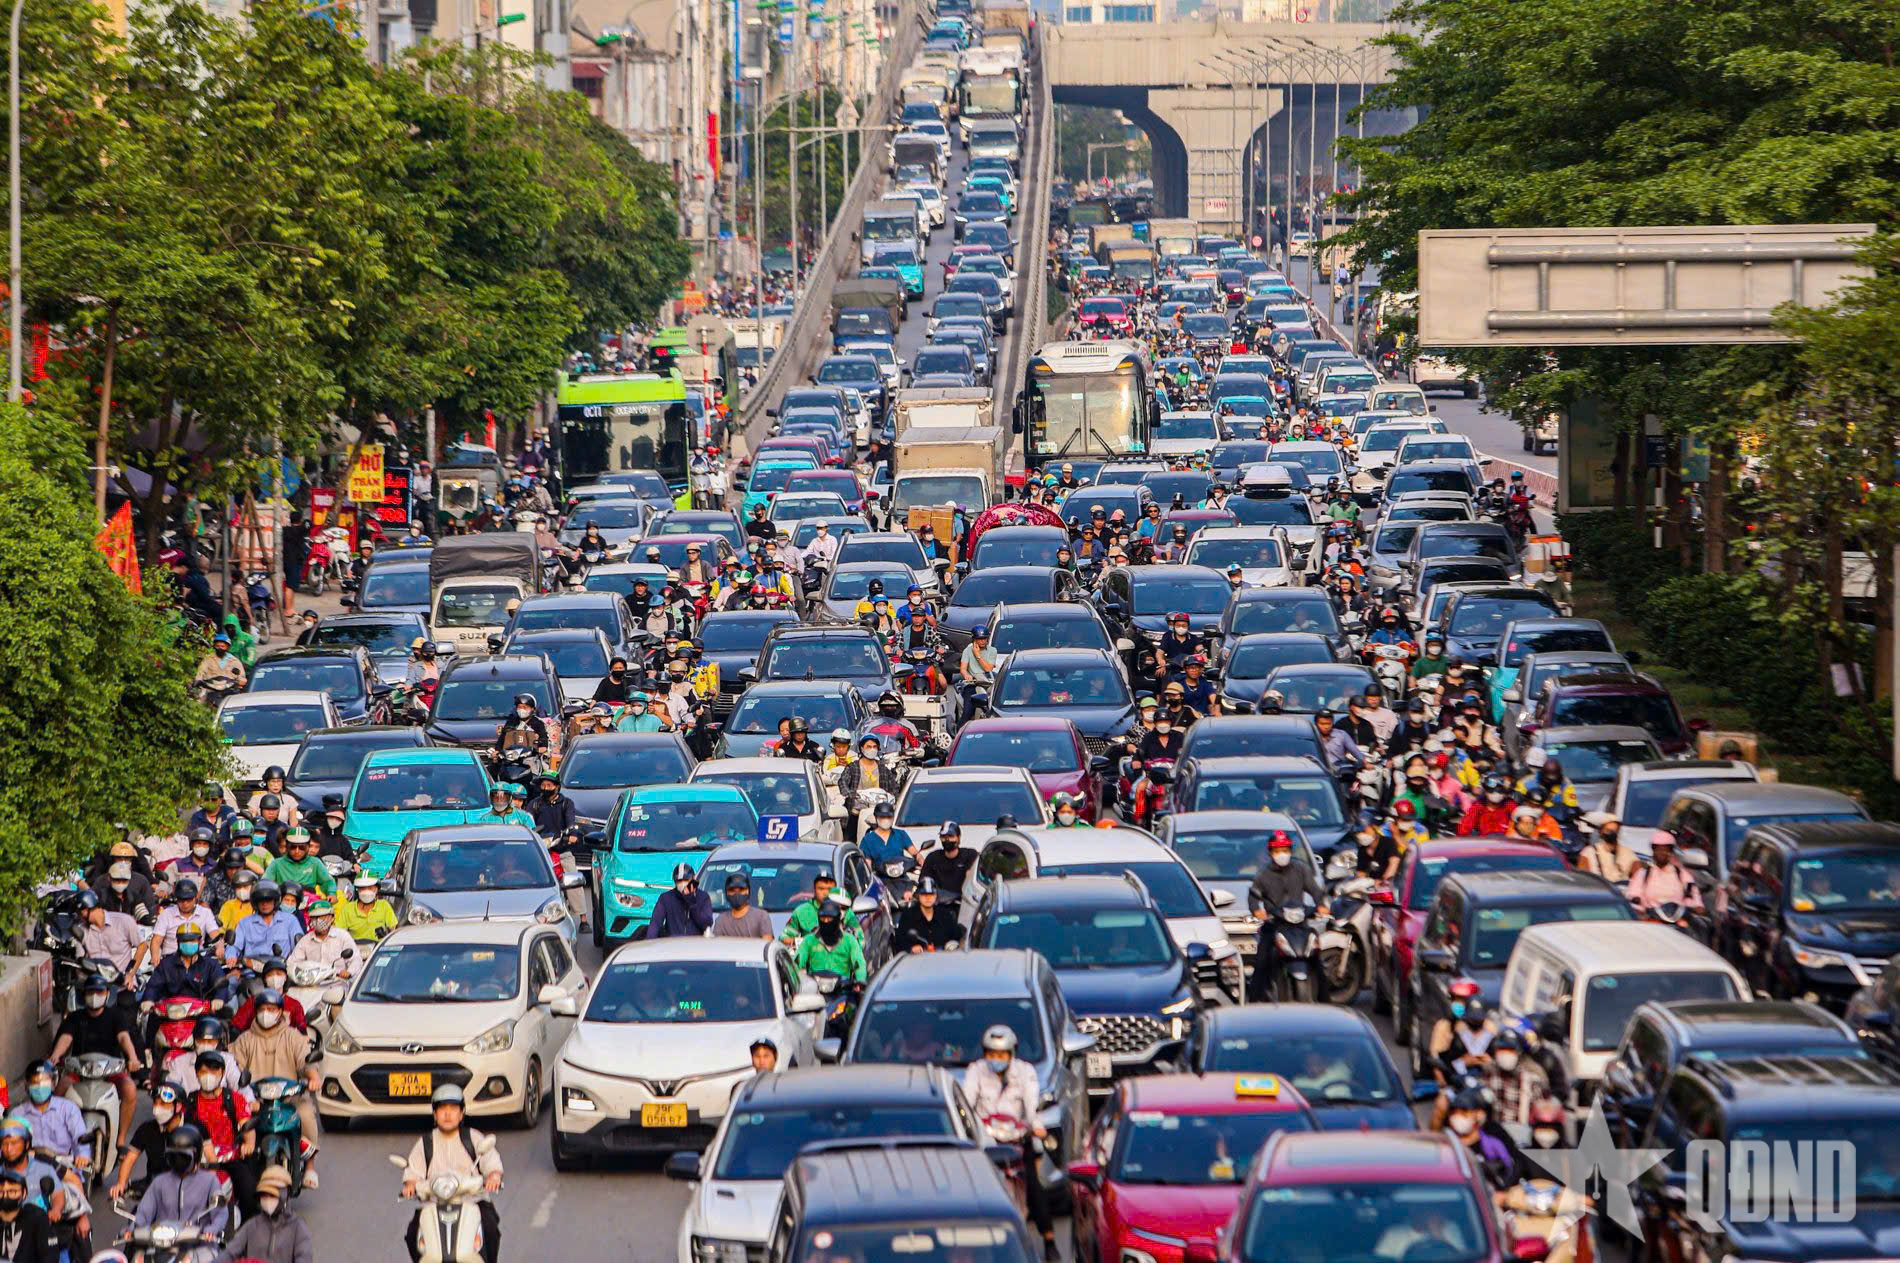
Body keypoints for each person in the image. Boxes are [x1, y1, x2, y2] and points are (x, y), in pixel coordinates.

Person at [962, 1026, 1056, 1260]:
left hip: (1017, 1139)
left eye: (1001, 1055)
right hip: (988, 1142)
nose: (996, 1060)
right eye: (991, 1054)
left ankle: (1049, 1241)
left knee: (1035, 1189)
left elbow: (1031, 1104)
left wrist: (1035, 1126)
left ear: (1011, 1054)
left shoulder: (1025, 1072)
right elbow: (967, 1102)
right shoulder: (976, 1071)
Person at [401, 1085, 503, 1263]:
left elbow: (491, 1162)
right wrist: (410, 1185)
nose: (447, 1114)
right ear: (435, 1114)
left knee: (490, 1229)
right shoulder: (425, 1143)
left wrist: (494, 1177)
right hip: (433, 1203)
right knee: (412, 1235)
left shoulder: (473, 1138)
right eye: (442, 1109)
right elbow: (413, 1172)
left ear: (462, 1113)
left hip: (472, 1202)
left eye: (453, 1109)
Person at [230, 989, 320, 1189]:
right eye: (262, 1009)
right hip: (255, 1100)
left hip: (289, 1098)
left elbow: (306, 1063)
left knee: (305, 1113)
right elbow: (234, 1068)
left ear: (280, 1011)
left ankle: (310, 1165)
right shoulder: (245, 1040)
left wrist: (313, 1078)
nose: (266, 1013)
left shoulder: (293, 1037)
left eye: (271, 1009)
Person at [50, 978, 143, 1148]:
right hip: (80, 1071)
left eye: (99, 992)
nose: (94, 996)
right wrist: (56, 1055)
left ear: (107, 995)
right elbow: (66, 1037)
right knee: (60, 1089)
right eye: (90, 992)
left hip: (111, 1072)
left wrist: (133, 1058)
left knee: (130, 1089)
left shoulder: (116, 1016)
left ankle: (120, 1138)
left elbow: (124, 1037)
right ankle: (56, 1134)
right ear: (84, 995)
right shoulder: (75, 1017)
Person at [1246, 832, 1328, 1001]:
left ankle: (1325, 1000)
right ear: (1271, 853)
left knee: (1316, 958)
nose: (1281, 854)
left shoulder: (1301, 869)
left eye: (1285, 850)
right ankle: (1255, 1002)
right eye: (1277, 850)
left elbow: (1316, 891)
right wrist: (1257, 911)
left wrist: (1321, 905)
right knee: (1261, 962)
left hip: (1300, 925)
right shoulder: (1263, 874)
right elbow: (1253, 896)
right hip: (1274, 925)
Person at [184, 1051, 256, 1215]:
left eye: (213, 1071)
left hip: (230, 1159)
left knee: (249, 1194)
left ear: (222, 1073)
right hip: (197, 1161)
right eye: (203, 1071)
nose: (208, 1075)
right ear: (196, 1074)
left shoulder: (234, 1099)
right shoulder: (190, 1101)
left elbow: (246, 1124)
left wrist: (249, 1144)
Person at [129, 1124, 227, 1236]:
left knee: (207, 1254)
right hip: (161, 1242)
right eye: (173, 1156)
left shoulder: (210, 1181)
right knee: (138, 1254)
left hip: (199, 1243)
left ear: (196, 1156)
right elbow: (144, 1212)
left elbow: (220, 1214)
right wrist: (132, 1229)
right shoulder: (159, 1181)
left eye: (183, 1156)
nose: (178, 1161)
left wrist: (212, 1230)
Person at [220, 1163, 313, 1263]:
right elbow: (230, 1252)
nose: (267, 1200)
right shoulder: (252, 1225)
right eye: (264, 1195)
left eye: (272, 1195)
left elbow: (304, 1258)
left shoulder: (298, 1228)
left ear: (284, 1196)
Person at [108, 1081, 183, 1204]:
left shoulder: (194, 1129)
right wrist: (121, 1184)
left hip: (185, 1190)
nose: (157, 1108)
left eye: (163, 1103)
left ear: (178, 1106)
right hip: (154, 1185)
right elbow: (130, 1158)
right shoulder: (147, 1129)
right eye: (155, 1102)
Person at [226, 882, 302, 971]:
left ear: (275, 901)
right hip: (251, 970)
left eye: (268, 900)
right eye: (261, 901)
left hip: (282, 969)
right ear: (255, 902)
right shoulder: (245, 923)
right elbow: (234, 945)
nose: (265, 904)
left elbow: (300, 947)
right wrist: (231, 956)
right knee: (232, 982)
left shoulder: (290, 920)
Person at [1626, 830, 1703, 915]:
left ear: (1670, 852)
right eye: (1658, 849)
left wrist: (1697, 906)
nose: (1662, 853)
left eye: (1665, 850)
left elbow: (1693, 896)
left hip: (1677, 918)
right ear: (1653, 851)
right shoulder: (1643, 874)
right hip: (1652, 918)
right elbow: (1633, 894)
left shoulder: (1682, 874)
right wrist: (1638, 902)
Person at [795, 900, 868, 983]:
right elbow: (797, 962)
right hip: (815, 988)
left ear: (837, 918)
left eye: (829, 918)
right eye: (823, 918)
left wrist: (860, 982)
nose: (826, 922)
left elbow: (859, 964)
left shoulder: (849, 940)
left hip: (843, 988)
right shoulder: (809, 940)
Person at [782, 871, 862, 944]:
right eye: (821, 889)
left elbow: (861, 940)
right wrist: (802, 942)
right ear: (814, 890)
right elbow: (783, 938)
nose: (825, 893)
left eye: (829, 889)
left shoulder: (845, 911)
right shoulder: (801, 912)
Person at [0, 1166, 60, 1263]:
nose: (5, 1196)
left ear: (24, 1194)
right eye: (1, 1192)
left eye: (12, 1191)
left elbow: (50, 1257)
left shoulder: (36, 1218)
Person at [232, 959, 307, 1035]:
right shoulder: (253, 1001)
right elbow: (237, 1023)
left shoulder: (294, 1004)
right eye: (270, 975)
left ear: (285, 978)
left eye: (279, 974)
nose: (274, 977)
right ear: (265, 979)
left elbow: (301, 1027)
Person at [75, 891, 141, 976]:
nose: (79, 917)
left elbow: (142, 945)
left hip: (122, 980)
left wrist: (131, 973)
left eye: (79, 913)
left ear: (85, 910)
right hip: (96, 983)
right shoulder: (82, 931)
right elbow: (79, 961)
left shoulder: (123, 921)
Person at [263, 828, 335, 900]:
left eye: (302, 847)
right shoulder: (276, 863)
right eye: (293, 847)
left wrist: (331, 893)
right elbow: (265, 882)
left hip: (308, 903)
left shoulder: (315, 862)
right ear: (287, 846)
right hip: (283, 902)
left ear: (308, 847)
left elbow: (328, 881)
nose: (297, 851)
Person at [895, 878, 963, 953]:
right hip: (916, 961)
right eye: (924, 894)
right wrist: (910, 949)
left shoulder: (945, 915)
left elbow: (958, 935)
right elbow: (899, 941)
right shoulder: (908, 916)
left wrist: (951, 945)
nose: (928, 898)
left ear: (936, 896)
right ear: (918, 896)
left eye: (931, 894)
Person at [647, 863, 714, 938]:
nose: (682, 883)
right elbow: (655, 924)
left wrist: (691, 901)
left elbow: (706, 923)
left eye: (686, 880)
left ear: (693, 879)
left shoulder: (703, 897)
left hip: (696, 944)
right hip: (673, 944)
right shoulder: (666, 898)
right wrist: (649, 942)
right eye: (679, 881)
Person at [286, 900, 352, 975]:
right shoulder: (305, 940)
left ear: (332, 917)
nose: (319, 921)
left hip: (337, 980)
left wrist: (348, 972)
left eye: (323, 917)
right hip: (312, 981)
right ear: (310, 920)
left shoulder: (343, 936)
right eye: (315, 918)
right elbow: (293, 962)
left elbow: (355, 960)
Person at [1576, 811, 1637, 883]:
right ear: (1601, 832)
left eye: (1615, 831)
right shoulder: (1588, 852)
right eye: (1608, 831)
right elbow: (1583, 878)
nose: (1611, 834)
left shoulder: (1627, 852)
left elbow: (1637, 871)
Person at [336, 873, 398, 943]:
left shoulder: (384, 906)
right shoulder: (348, 909)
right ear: (357, 890)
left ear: (377, 889)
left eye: (370, 888)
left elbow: (394, 929)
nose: (366, 891)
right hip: (355, 949)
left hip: (377, 949)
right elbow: (339, 933)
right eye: (362, 888)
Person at [712, 873, 774, 939]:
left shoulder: (762, 917)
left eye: (741, 890)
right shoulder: (721, 920)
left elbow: (766, 943)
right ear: (727, 893)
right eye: (732, 890)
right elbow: (717, 946)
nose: (737, 894)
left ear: (748, 891)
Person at [1312, 710, 1365, 776]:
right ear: (1316, 724)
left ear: (1332, 723)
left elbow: (1357, 754)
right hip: (1317, 772)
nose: (1326, 727)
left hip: (1340, 772)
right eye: (1322, 724)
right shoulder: (1311, 737)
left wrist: (1363, 762)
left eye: (1329, 724)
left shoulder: (1341, 735)